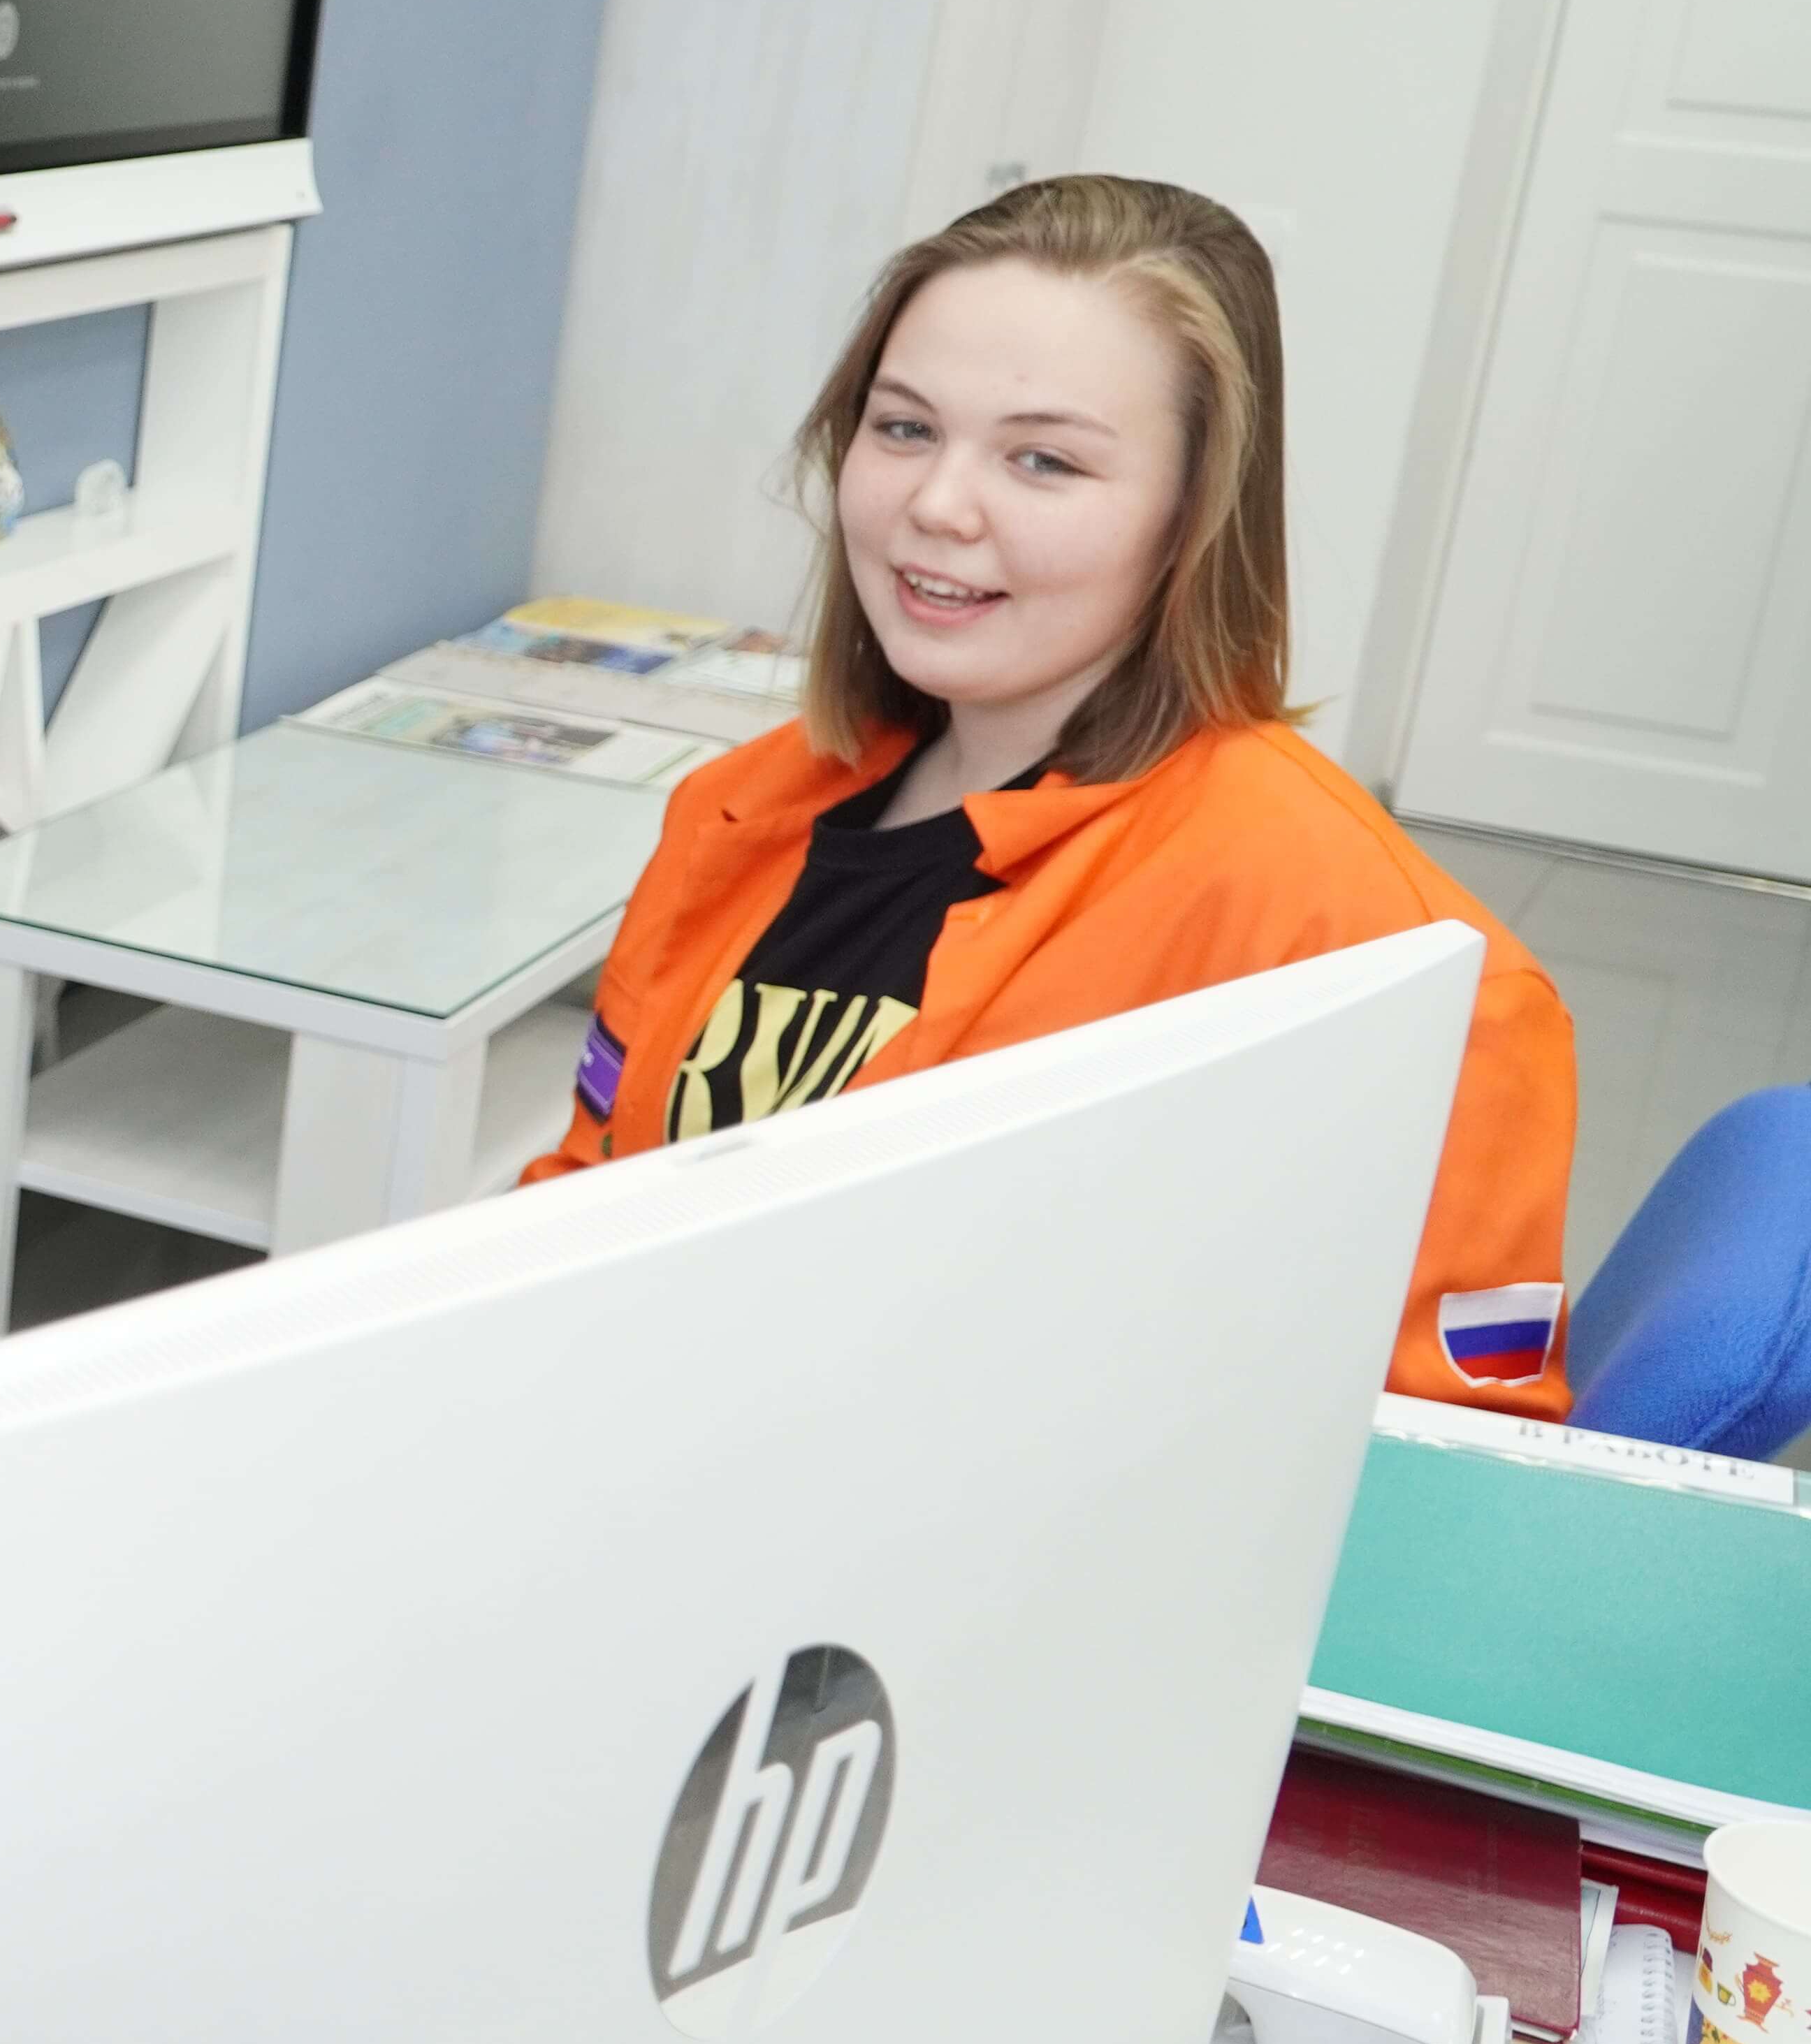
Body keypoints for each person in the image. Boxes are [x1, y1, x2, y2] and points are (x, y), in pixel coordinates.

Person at [527, 175, 1578, 1416]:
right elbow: (587, 1192)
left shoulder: (1382, 959)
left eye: (1044, 459)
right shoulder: (734, 812)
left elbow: (1442, 1456)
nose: (936, 506)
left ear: (1192, 517)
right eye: (904, 428)